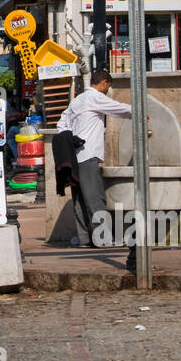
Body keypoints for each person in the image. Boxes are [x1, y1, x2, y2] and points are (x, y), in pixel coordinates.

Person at [57, 69, 132, 246]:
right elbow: (118, 109)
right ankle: (103, 239)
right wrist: (139, 112)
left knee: (79, 199)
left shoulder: (77, 100)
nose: (107, 90)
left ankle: (84, 238)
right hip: (88, 154)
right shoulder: (95, 97)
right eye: (108, 87)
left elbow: (61, 123)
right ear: (104, 83)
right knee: (94, 198)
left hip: (73, 157)